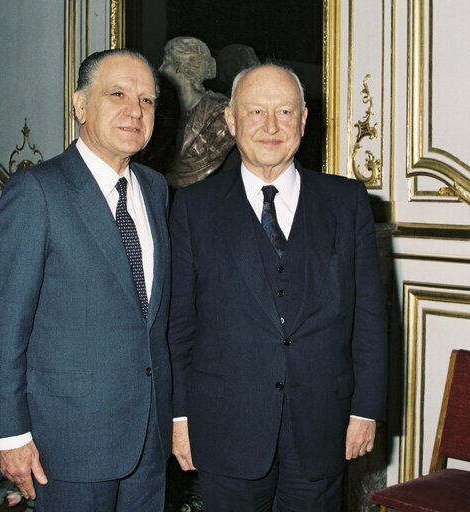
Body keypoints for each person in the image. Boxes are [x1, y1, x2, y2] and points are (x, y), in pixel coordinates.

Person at [168, 63, 387, 511]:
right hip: (225, 425)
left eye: (285, 112)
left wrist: (365, 410)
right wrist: (179, 416)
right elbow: (178, 326)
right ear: (230, 120)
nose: (271, 127)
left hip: (322, 426)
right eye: (255, 112)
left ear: (304, 120)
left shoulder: (347, 202)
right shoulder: (193, 208)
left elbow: (369, 317)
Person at [0, 49, 172, 512]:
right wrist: (10, 435)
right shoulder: (36, 192)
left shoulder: (155, 188)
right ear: (80, 106)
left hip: (148, 437)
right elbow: (4, 327)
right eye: (118, 94)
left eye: (147, 101)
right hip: (68, 441)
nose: (135, 110)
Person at [157, 37, 236, 188]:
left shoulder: (221, 117)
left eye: (165, 63)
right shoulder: (163, 113)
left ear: (179, 67)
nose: (160, 69)